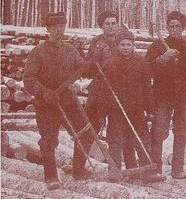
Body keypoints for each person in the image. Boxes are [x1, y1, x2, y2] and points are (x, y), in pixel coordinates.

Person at [23, 12, 86, 189]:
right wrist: (44, 92)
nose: (59, 31)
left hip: (68, 102)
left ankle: (78, 170)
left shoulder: (71, 50)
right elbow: (29, 79)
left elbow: (83, 71)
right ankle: (51, 176)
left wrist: (78, 85)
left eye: (62, 27)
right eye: (55, 27)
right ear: (48, 29)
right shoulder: (38, 52)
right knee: (48, 140)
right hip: (47, 105)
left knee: (84, 134)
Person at [72, 10, 136, 179]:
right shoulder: (96, 43)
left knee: (121, 131)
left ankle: (125, 169)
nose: (111, 26)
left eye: (114, 23)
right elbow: (90, 69)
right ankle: (77, 168)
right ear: (101, 26)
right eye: (107, 24)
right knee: (88, 129)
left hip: (119, 93)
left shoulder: (123, 41)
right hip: (100, 92)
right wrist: (96, 58)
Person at [99, 29, 166, 183]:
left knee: (142, 139)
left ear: (133, 45)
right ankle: (114, 171)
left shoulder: (140, 62)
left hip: (136, 110)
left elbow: (146, 88)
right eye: (122, 44)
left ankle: (148, 171)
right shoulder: (110, 64)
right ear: (117, 46)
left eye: (129, 44)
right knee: (115, 140)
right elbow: (103, 91)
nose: (126, 47)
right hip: (116, 110)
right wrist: (102, 114)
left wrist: (150, 110)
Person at [145, 11, 186, 179]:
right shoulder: (158, 46)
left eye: (178, 26)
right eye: (171, 26)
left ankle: (177, 169)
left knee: (181, 132)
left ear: (183, 28)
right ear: (167, 28)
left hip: (184, 98)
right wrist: (162, 59)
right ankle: (155, 168)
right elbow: (145, 69)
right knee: (158, 132)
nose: (174, 29)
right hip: (162, 97)